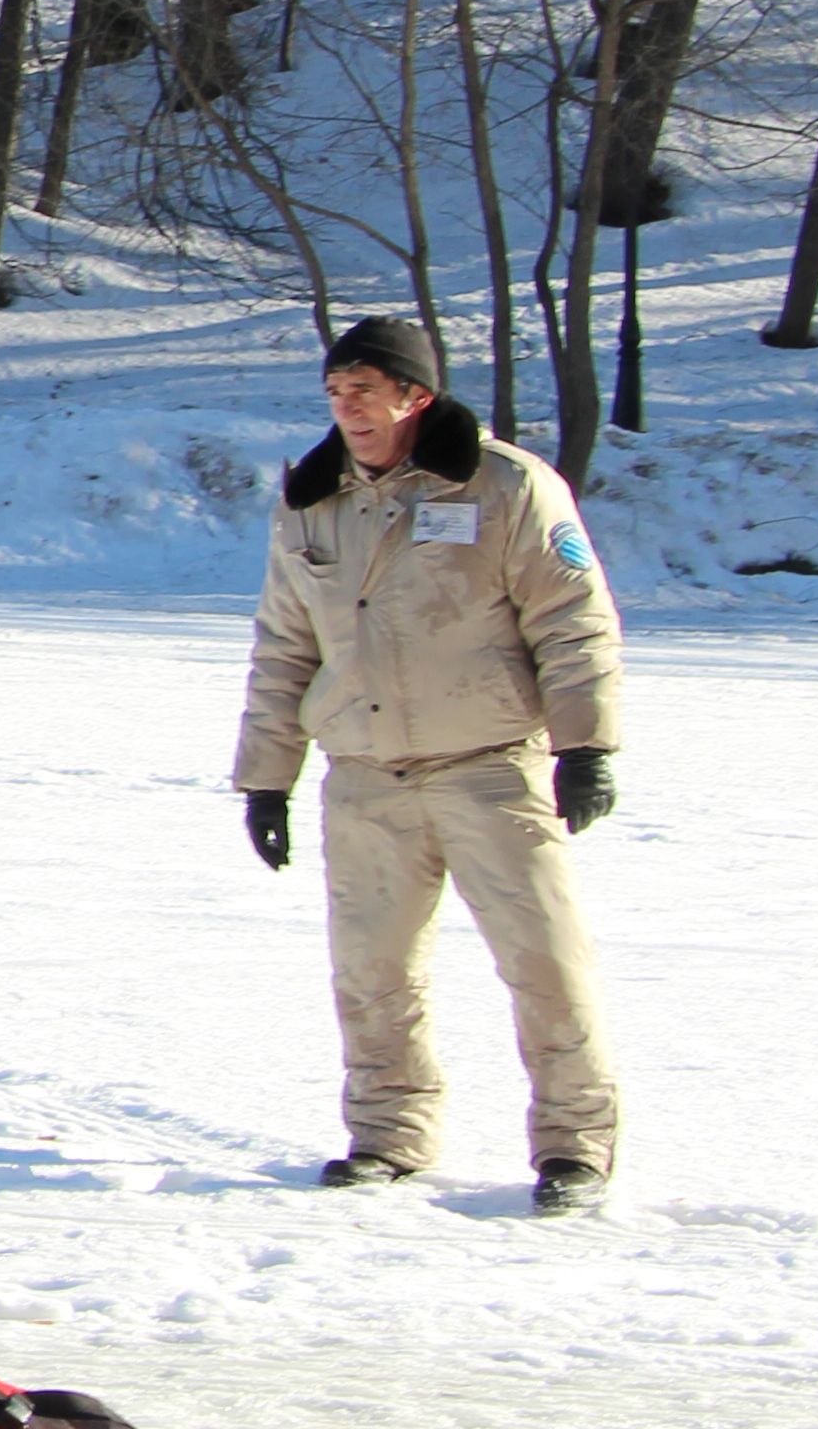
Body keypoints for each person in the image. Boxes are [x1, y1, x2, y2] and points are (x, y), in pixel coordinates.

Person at [229, 312, 628, 1211]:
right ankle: (386, 1133)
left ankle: (575, 1145)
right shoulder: (312, 499)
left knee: (546, 964)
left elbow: (574, 620)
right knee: (372, 972)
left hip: (490, 765)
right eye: (335, 393)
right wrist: (266, 776)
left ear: (416, 395)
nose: (348, 410)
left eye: (364, 391)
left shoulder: (507, 487)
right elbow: (284, 647)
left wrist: (586, 743)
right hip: (366, 776)